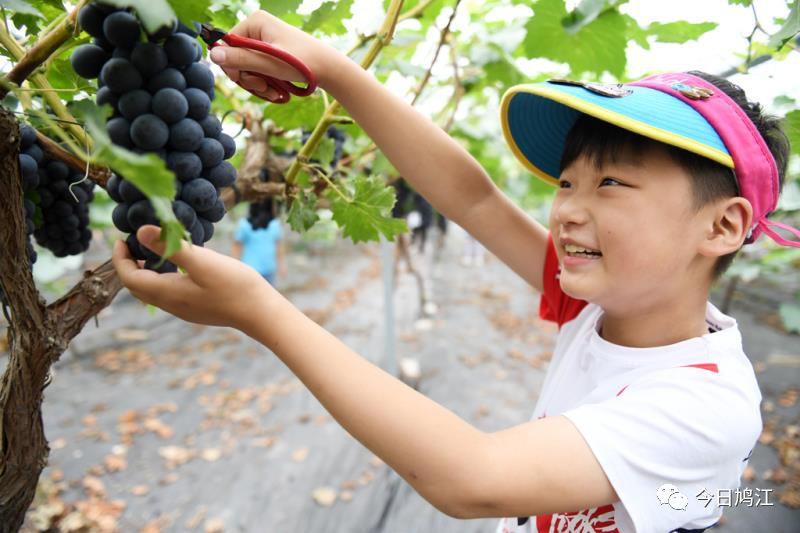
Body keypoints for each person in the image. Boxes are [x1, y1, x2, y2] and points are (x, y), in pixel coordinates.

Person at [111, 10, 800, 533]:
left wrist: (257, 309)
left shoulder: (707, 406)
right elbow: (472, 198)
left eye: (612, 184)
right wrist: (334, 70)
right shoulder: (606, 305)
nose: (568, 211)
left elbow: (474, 478)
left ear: (723, 226)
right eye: (566, 183)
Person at [231, 213, 286, 286]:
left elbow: (278, 244)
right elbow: (237, 247)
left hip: (269, 269)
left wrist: (282, 264)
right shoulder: (244, 224)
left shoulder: (274, 223)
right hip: (250, 270)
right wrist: (234, 268)